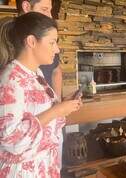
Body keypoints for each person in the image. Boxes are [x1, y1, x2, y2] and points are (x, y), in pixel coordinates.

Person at [0, 12, 81, 177]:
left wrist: (63, 106)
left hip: (43, 166)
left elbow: (40, 113)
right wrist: (56, 111)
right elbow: (10, 139)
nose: (57, 49)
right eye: (52, 42)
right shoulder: (10, 80)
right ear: (31, 41)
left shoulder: (36, 74)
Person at [16, 0, 62, 99]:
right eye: (44, 9)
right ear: (26, 6)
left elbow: (56, 70)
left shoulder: (38, 73)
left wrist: (57, 102)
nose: (50, 16)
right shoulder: (12, 77)